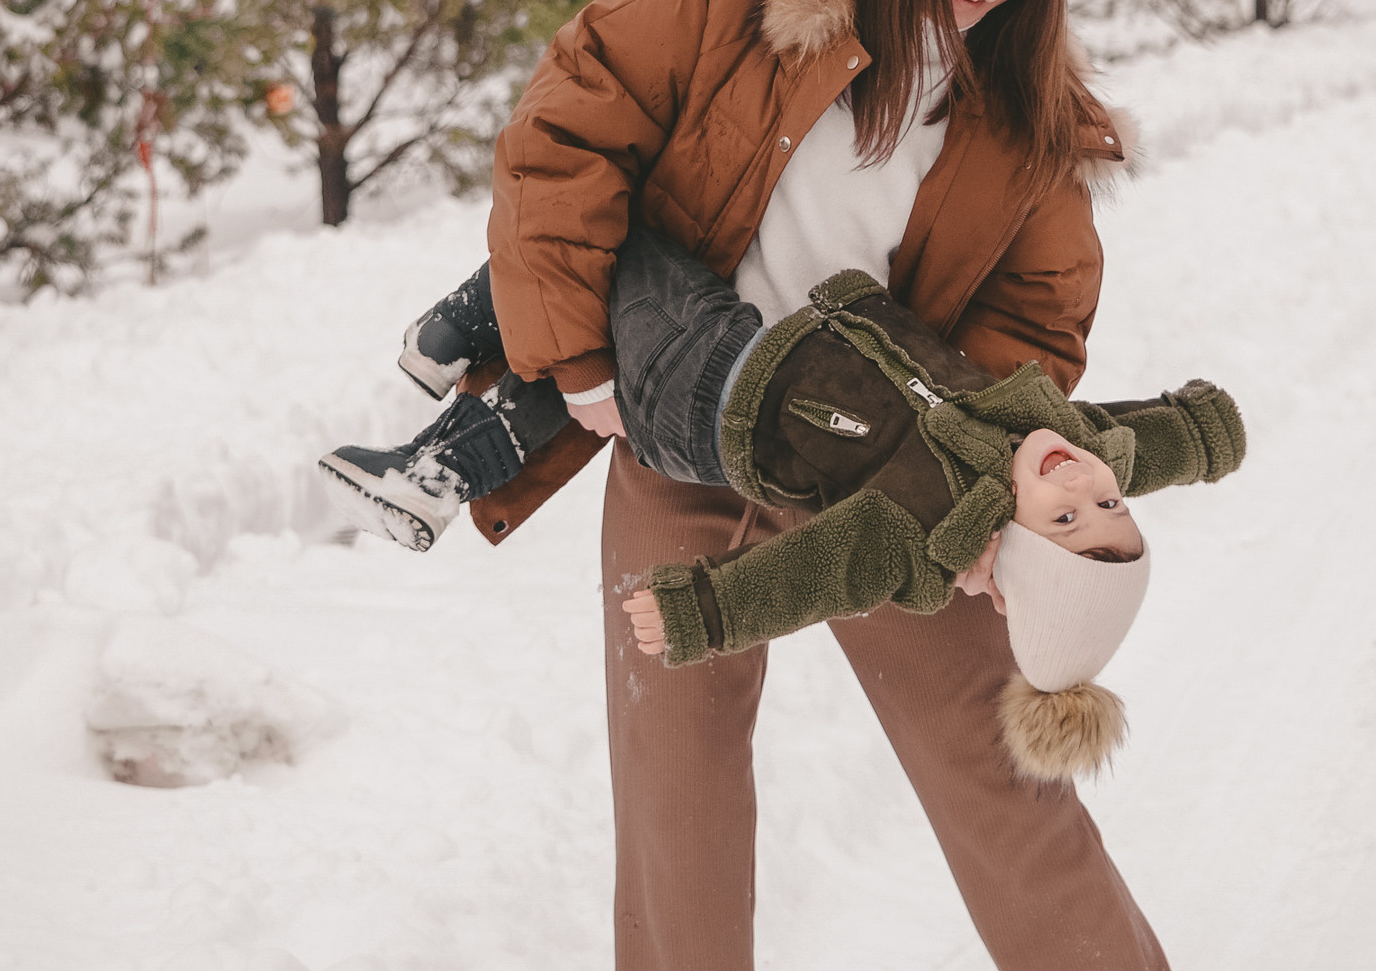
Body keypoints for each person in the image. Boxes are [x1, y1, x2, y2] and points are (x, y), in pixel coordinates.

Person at [441, 0, 1227, 971]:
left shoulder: (1028, 126)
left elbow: (1032, 330)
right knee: (676, 826)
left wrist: (991, 487)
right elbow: (567, 123)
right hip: (676, 442)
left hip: (884, 476)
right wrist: (582, 365)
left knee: (1004, 780)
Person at [321, 228, 1244, 774]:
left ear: (1006, 558)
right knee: (588, 337)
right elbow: (1136, 442)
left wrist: (705, 610)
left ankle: (450, 327)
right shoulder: (1043, 447)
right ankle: (435, 475)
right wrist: (1203, 435)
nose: (1083, 482)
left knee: (614, 244)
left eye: (1068, 519)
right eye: (1113, 499)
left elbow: (814, 575)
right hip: (737, 358)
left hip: (714, 400)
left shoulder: (919, 529)